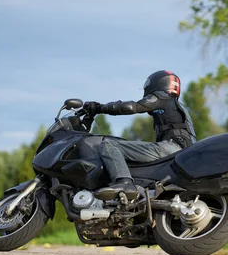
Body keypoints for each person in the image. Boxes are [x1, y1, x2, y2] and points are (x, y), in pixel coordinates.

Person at [84, 70, 196, 201]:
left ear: (157, 84)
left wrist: (99, 108)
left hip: (171, 147)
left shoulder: (161, 97)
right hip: (184, 152)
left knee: (109, 144)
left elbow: (132, 107)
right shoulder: (178, 107)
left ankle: (124, 183)